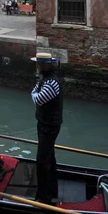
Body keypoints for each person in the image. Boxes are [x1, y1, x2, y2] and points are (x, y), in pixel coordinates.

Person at [31, 53, 63, 205]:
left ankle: (44, 198)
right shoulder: (45, 79)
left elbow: (37, 98)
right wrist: (35, 93)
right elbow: (35, 92)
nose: (37, 66)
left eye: (39, 64)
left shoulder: (52, 83)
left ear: (45, 65)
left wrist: (35, 94)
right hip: (44, 124)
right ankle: (51, 191)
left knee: (42, 161)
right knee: (49, 157)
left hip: (49, 127)